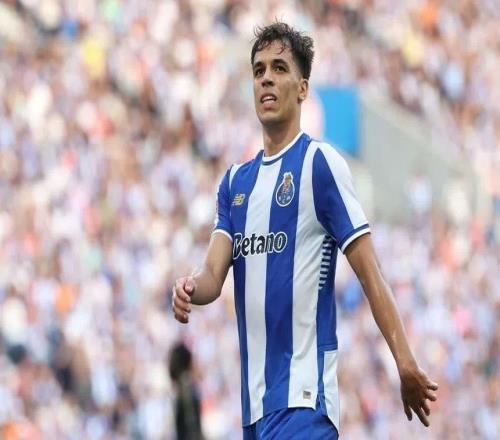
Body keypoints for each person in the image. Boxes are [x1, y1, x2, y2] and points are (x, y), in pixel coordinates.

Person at [172, 22, 438, 439]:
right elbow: (212, 276)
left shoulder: (319, 165)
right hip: (255, 411)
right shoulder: (235, 183)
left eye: (279, 68)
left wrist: (404, 362)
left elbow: (371, 274)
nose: (266, 78)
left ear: (302, 88)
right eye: (258, 70)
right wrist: (189, 286)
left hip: (305, 401)